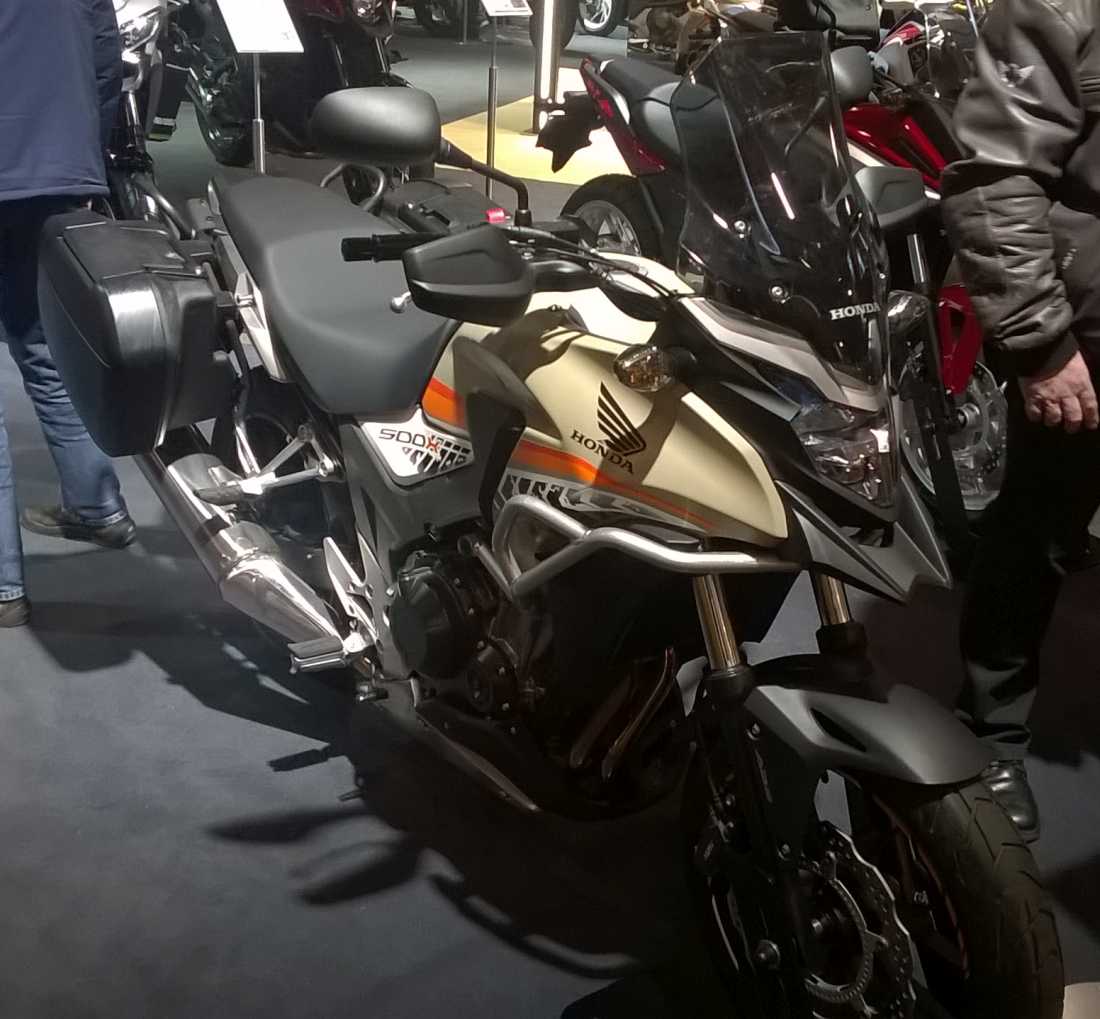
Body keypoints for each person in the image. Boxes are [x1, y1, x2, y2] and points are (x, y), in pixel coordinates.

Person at [942, 0, 1100, 842]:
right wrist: (1041, 344)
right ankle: (989, 730)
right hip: (1087, 340)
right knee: (1039, 532)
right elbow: (996, 174)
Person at [0, 0, 137, 629]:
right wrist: (86, 152)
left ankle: (5, 586)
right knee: (44, 343)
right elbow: (105, 58)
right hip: (56, 164)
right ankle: (97, 505)